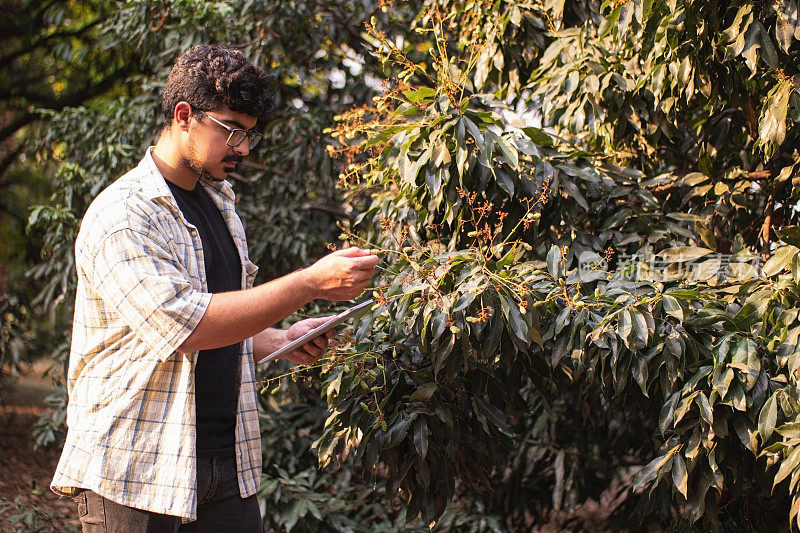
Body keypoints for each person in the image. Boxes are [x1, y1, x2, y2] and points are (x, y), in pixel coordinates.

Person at [50, 44, 379, 532]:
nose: (243, 149)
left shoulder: (221, 204)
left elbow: (213, 328)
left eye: (250, 135)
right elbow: (185, 327)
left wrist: (279, 339)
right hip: (133, 472)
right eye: (232, 131)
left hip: (224, 466)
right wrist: (309, 283)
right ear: (184, 116)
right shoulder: (124, 216)